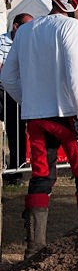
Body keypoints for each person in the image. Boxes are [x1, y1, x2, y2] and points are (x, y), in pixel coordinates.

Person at [0, 0, 78, 258]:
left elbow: (7, 79)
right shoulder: (69, 27)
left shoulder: (25, 30)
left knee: (41, 178)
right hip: (68, 116)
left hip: (36, 118)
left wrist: (31, 102)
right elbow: (75, 77)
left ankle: (34, 248)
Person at [0, 12, 34, 186]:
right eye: (27, 26)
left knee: (17, 132)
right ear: (16, 27)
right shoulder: (1, 41)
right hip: (2, 91)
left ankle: (17, 170)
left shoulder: (29, 43)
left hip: (18, 92)